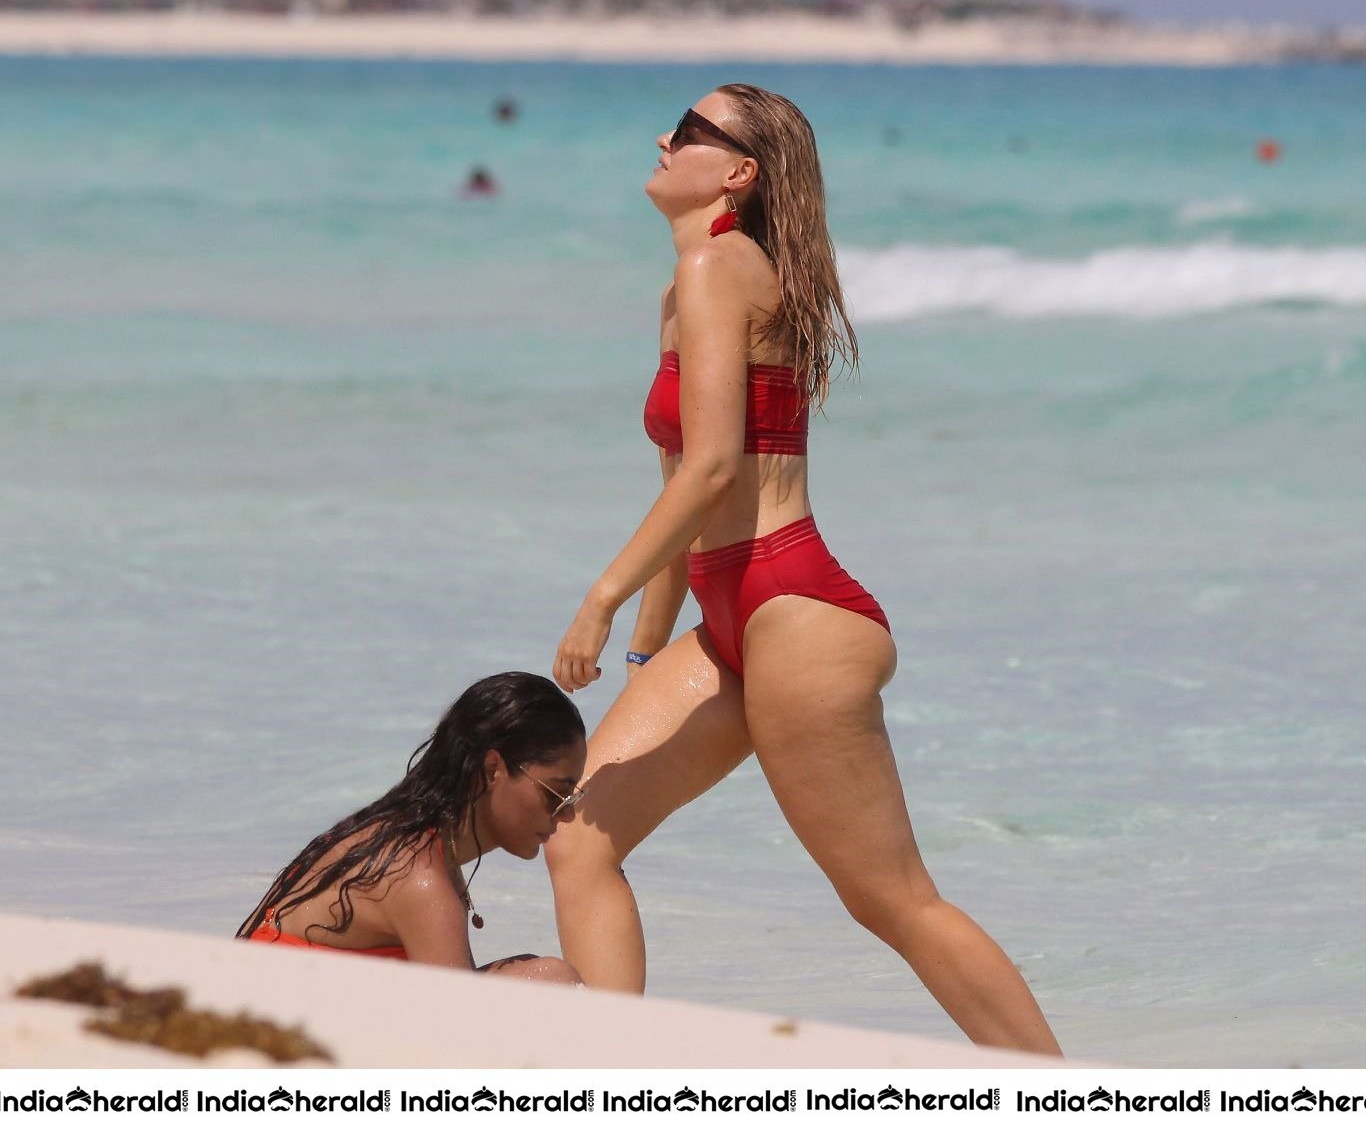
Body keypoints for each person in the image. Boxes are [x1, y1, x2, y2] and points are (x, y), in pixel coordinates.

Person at [545, 84, 1062, 1054]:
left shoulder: (717, 266)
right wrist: (648, 647)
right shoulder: (689, 284)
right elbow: (685, 486)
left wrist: (600, 599)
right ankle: (610, 1078)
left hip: (794, 607)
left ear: (738, 172)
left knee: (891, 899)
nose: (664, 137)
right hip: (728, 618)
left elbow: (711, 469)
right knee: (579, 839)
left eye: (690, 131)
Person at [237, 671, 585, 982]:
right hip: (264, 1018)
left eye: (573, 798)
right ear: (492, 769)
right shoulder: (418, 875)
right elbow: (454, 1023)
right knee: (550, 980)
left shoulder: (415, 838)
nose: (567, 814)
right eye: (555, 793)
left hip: (282, 1003)